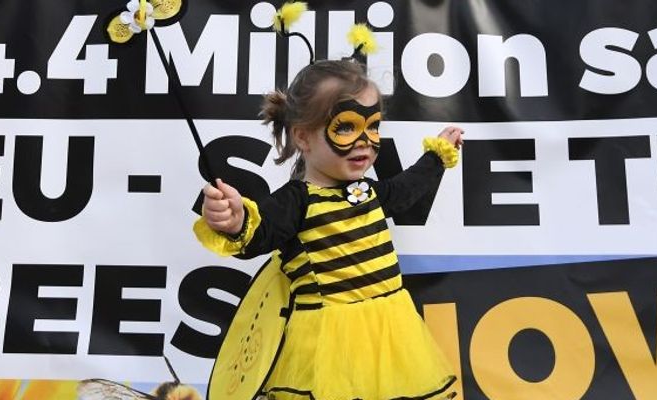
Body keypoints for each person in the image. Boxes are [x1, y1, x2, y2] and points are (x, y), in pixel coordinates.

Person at [194, 58, 462, 400]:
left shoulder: (369, 193)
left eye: (373, 126)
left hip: (391, 336)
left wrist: (436, 156)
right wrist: (235, 222)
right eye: (346, 127)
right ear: (303, 137)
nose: (365, 141)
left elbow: (407, 189)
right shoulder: (298, 202)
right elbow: (260, 233)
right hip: (326, 348)